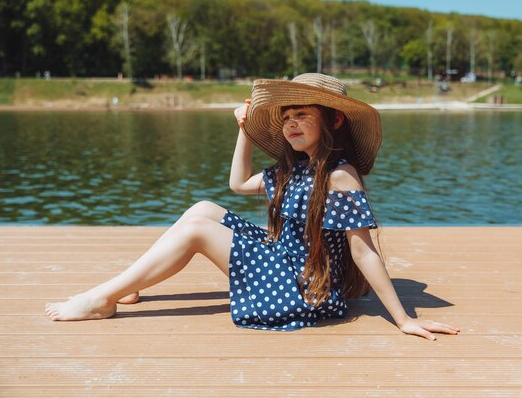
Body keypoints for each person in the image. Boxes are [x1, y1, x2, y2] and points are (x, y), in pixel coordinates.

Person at [45, 73, 459, 341]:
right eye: (286, 117)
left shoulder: (338, 174)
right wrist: (244, 129)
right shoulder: (296, 168)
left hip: (305, 290)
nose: (291, 123)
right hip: (284, 262)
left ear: (333, 122)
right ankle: (132, 283)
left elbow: (361, 250)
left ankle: (103, 298)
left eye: (302, 115)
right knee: (203, 208)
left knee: (196, 231)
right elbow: (238, 184)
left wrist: (403, 319)